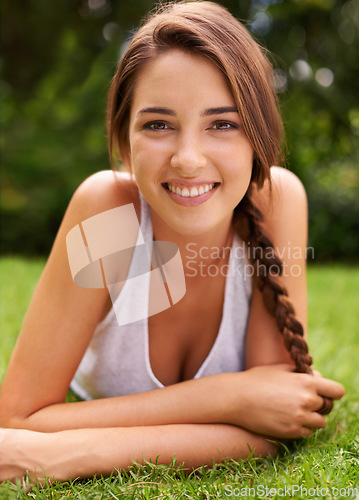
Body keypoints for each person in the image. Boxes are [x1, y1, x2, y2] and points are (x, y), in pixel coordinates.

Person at [0, 0, 345, 484]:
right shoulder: (109, 213)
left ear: (258, 138)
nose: (188, 158)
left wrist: (66, 454)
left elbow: (275, 425)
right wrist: (228, 398)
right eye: (158, 124)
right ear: (123, 141)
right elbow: (17, 421)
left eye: (222, 124)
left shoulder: (277, 200)